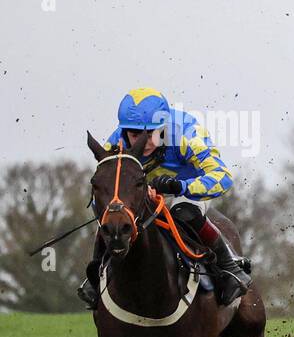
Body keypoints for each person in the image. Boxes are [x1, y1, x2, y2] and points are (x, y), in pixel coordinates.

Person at [78, 87, 251, 307]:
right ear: (124, 131)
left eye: (151, 134)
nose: (145, 142)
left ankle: (230, 268)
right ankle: (97, 274)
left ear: (164, 127)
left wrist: (180, 185)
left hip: (187, 191)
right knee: (111, 218)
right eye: (135, 135)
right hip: (141, 195)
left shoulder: (186, 134)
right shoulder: (115, 145)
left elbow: (222, 177)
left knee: (185, 211)